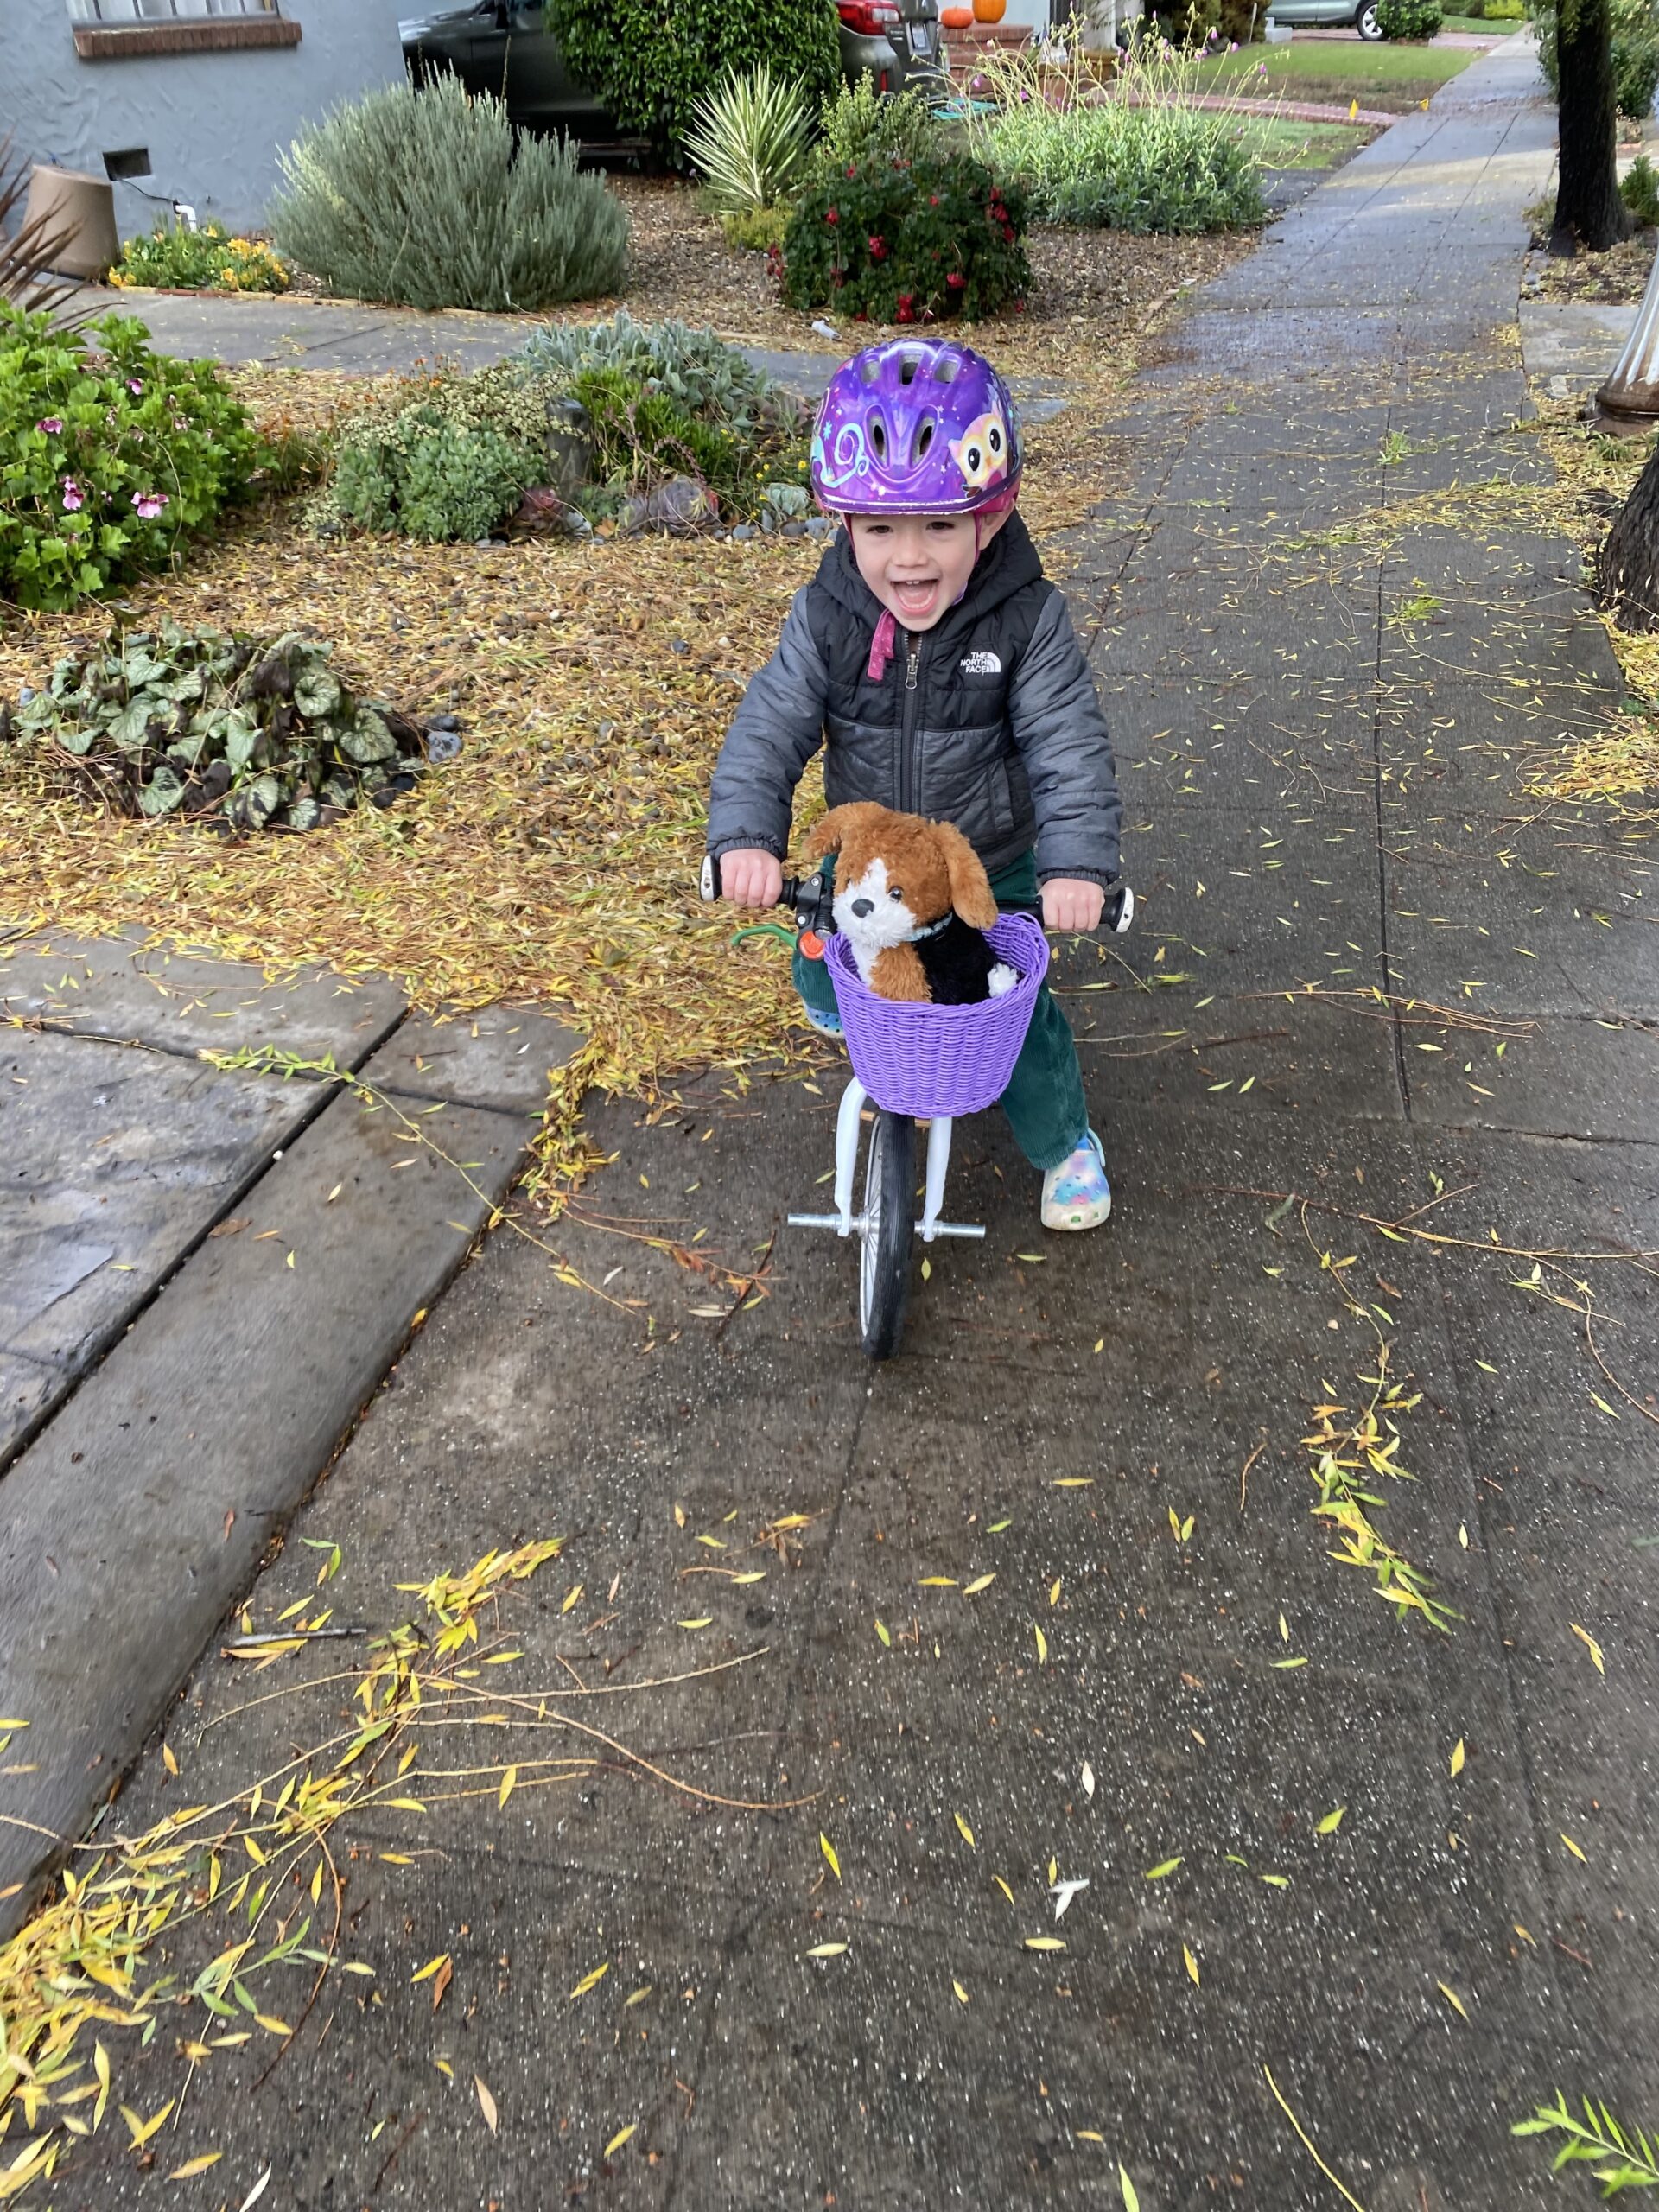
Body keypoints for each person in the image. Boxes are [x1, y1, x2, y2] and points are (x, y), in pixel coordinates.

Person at [706, 338, 1122, 1233]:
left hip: (986, 864)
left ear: (989, 519)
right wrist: (744, 837)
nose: (909, 559)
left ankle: (1064, 1144)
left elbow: (1068, 745)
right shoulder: (828, 616)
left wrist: (1077, 866)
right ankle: (866, 1013)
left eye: (939, 527)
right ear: (843, 525)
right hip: (869, 862)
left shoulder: (1026, 621)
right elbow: (771, 724)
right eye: (880, 530)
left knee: (1015, 1009)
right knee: (825, 956)